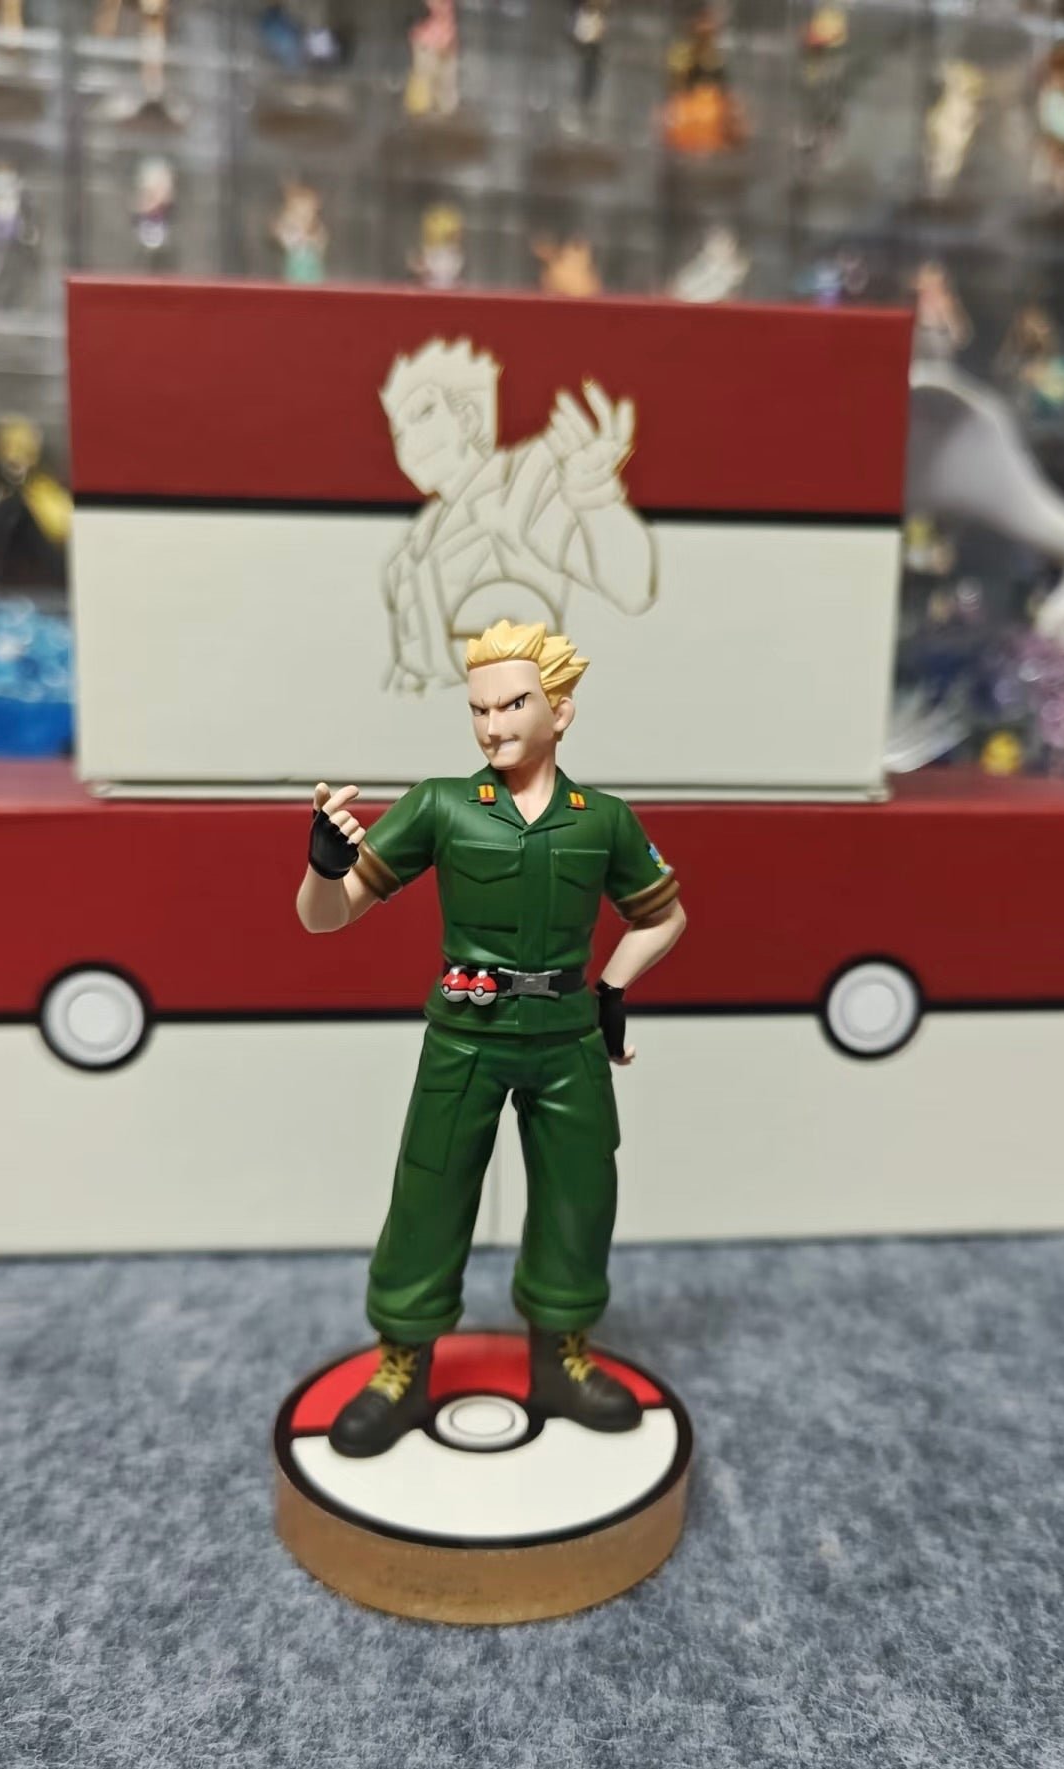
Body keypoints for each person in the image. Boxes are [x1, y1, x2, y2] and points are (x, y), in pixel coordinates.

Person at [296, 618, 687, 1458]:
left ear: (561, 711)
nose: (492, 725)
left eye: (513, 704)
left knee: (581, 1193)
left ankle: (561, 1356)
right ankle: (402, 1361)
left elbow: (664, 916)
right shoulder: (441, 804)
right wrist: (323, 867)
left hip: (566, 1038)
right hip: (465, 1036)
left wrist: (613, 988)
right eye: (478, 708)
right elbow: (327, 918)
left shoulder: (603, 819)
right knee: (429, 1192)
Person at [379, 339, 655, 692]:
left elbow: (631, 587)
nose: (408, 442)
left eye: (422, 413)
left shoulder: (525, 482)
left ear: (467, 416)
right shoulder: (413, 545)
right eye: (398, 430)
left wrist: (595, 495)